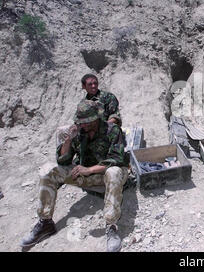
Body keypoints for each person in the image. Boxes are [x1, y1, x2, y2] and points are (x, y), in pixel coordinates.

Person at [21, 100, 129, 252]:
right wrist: (68, 140)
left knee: (115, 171)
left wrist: (89, 170)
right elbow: (62, 160)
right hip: (83, 175)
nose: (81, 125)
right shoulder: (78, 131)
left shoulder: (112, 130)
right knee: (47, 170)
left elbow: (117, 159)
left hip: (105, 174)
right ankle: (45, 223)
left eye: (85, 122)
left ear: (95, 119)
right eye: (80, 122)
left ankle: (111, 225)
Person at [56, 74, 122, 146]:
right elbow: (78, 121)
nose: (93, 86)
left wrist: (103, 128)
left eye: (95, 83)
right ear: (83, 86)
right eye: (90, 84)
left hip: (107, 133)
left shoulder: (108, 97)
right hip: (90, 135)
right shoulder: (83, 103)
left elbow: (115, 117)